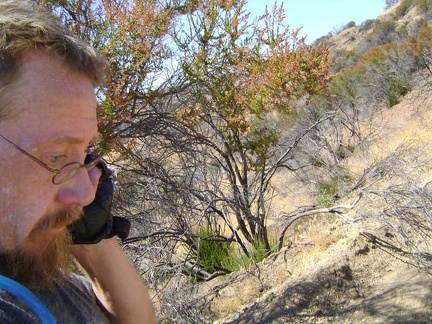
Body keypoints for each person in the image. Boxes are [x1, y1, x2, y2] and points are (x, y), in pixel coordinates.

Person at [0, 0, 157, 323]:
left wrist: (92, 240)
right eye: (56, 156)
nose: (87, 193)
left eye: (85, 154)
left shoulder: (31, 270)